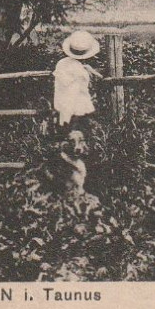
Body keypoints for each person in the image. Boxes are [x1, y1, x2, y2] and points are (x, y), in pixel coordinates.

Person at [53, 30, 104, 193]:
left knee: (67, 148)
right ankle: (81, 187)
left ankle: (69, 185)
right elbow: (85, 87)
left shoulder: (62, 64)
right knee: (82, 148)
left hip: (64, 112)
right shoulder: (80, 71)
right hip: (79, 112)